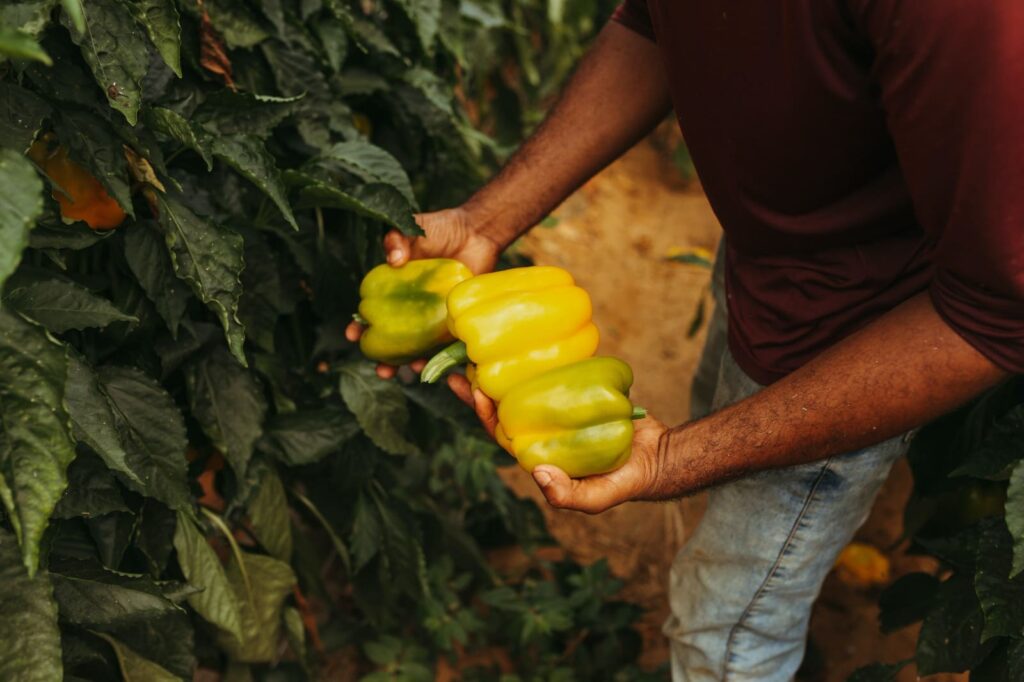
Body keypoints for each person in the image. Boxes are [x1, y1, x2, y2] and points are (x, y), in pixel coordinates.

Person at [347, 2, 1024, 679]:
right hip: (769, 260)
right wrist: (485, 224)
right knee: (727, 519)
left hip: (857, 338)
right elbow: (656, 21)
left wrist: (677, 457)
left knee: (726, 629)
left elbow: (993, 312)